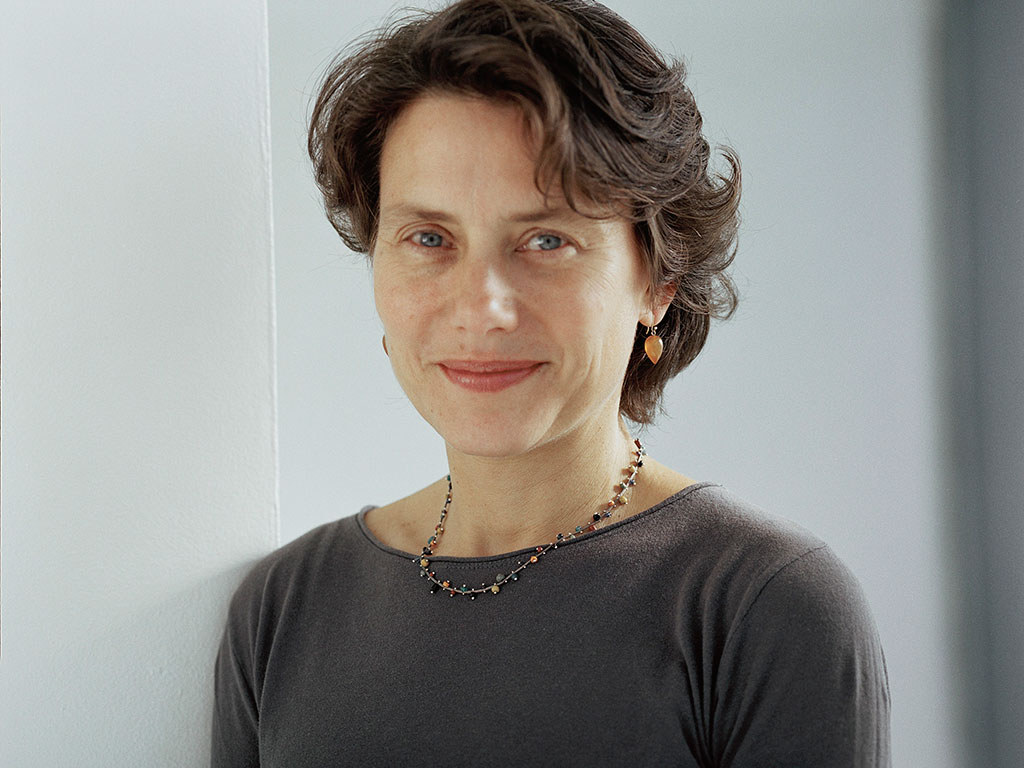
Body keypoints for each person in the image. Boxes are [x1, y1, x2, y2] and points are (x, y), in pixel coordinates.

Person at [212, 0, 891, 765]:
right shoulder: (285, 607)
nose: (482, 309)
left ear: (658, 280)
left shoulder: (763, 607)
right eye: (429, 238)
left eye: (545, 240)